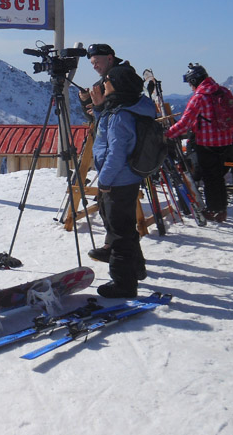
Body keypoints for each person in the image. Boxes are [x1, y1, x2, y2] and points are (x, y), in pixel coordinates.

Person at [92, 64, 157, 298]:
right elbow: (106, 132)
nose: (103, 84)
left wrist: (105, 180)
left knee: (119, 234)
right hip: (129, 177)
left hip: (117, 180)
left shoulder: (121, 115)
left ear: (117, 85)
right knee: (125, 228)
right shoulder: (133, 106)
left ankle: (123, 284)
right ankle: (136, 270)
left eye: (107, 80)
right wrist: (100, 108)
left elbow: (115, 151)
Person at [78, 43, 133, 262]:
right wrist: (89, 104)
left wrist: (106, 179)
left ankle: (121, 267)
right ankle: (131, 262)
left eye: (97, 61)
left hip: (118, 167)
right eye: (91, 63)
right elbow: (99, 118)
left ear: (110, 58)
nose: (94, 66)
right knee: (114, 214)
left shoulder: (119, 79)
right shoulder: (113, 80)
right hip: (119, 164)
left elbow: (112, 124)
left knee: (118, 219)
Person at [165, 64, 233, 222]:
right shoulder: (223, 91)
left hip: (206, 143)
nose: (190, 87)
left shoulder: (200, 97)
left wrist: (167, 134)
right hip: (226, 142)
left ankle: (213, 210)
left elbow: (185, 123)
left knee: (209, 178)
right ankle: (222, 210)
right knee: (218, 177)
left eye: (190, 83)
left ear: (194, 80)